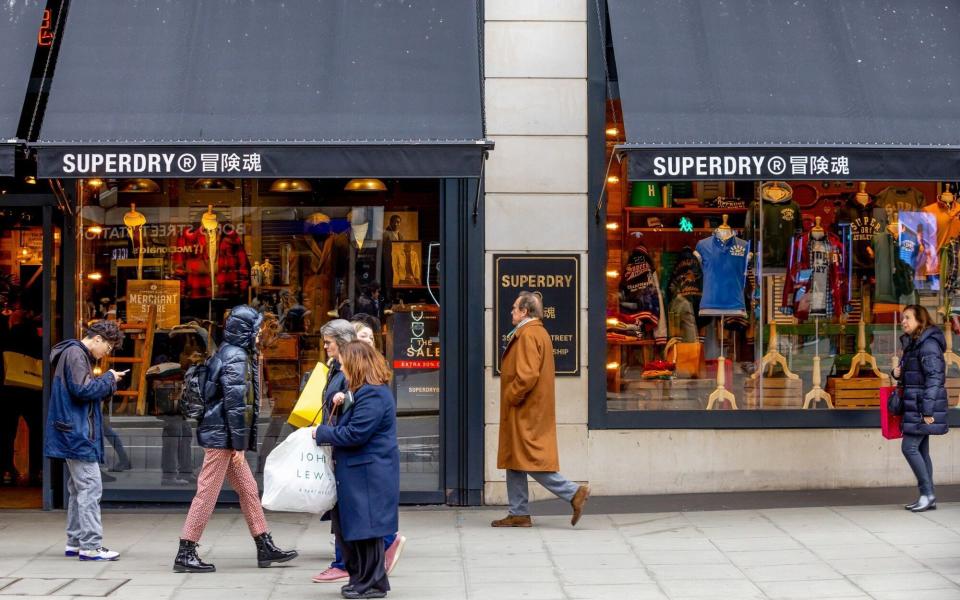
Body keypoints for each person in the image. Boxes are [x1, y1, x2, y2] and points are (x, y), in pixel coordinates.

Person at [173, 306, 298, 573]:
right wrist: (238, 446)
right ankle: (186, 550)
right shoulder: (236, 356)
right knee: (207, 493)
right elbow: (236, 405)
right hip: (223, 438)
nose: (260, 333)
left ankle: (264, 544)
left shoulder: (234, 352)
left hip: (225, 435)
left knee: (249, 490)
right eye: (257, 328)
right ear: (246, 330)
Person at [312, 321, 404, 584]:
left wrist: (321, 433)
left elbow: (355, 433)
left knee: (368, 533)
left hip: (369, 473)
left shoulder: (373, 394)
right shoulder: (362, 391)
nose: (341, 369)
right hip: (359, 472)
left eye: (345, 364)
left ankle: (371, 584)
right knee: (355, 532)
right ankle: (360, 581)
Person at [492, 292, 590, 528]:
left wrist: (511, 395)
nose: (511, 311)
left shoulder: (528, 334)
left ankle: (573, 492)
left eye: (515, 308)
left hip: (525, 409)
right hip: (528, 408)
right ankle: (519, 512)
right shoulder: (536, 332)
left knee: (529, 460)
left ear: (525, 311)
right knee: (514, 459)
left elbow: (527, 375)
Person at [44, 320, 127, 561]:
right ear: (98, 339)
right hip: (77, 433)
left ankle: (75, 541)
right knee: (90, 487)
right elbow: (84, 391)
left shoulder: (72, 353)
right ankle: (90, 546)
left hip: (72, 431)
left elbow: (83, 390)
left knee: (78, 488)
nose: (107, 353)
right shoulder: (76, 355)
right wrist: (110, 379)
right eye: (109, 347)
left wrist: (108, 381)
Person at [892, 304, 949, 513]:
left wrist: (927, 411)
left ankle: (927, 493)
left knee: (909, 447)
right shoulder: (915, 344)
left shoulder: (928, 345)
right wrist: (896, 373)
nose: (903, 321)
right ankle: (928, 496)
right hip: (915, 405)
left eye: (907, 317)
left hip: (921, 407)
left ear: (920, 320)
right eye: (902, 318)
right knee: (922, 451)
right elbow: (913, 374)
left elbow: (935, 379)